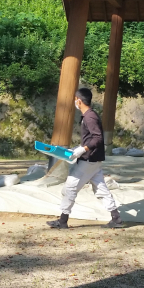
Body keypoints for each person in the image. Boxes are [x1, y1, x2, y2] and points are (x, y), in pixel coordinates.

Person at [47, 88, 124, 229]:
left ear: (79, 101)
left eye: (75, 99)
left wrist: (83, 149)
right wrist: (79, 148)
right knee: (101, 189)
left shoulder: (90, 117)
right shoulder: (90, 115)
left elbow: (97, 138)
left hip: (88, 160)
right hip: (94, 160)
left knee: (70, 187)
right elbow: (91, 138)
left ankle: (62, 221)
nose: (75, 102)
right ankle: (116, 218)